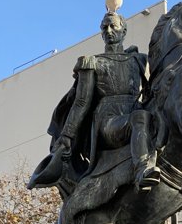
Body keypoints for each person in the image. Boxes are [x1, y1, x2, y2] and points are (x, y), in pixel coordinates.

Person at [30, 11, 160, 192]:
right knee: (140, 118)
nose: (108, 30)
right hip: (107, 123)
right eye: (104, 27)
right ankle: (142, 170)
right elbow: (81, 102)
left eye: (113, 26)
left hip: (135, 114)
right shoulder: (92, 62)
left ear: (124, 30)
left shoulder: (138, 60)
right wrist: (67, 135)